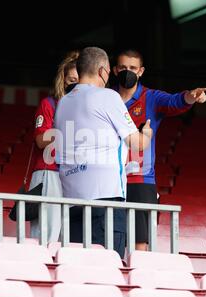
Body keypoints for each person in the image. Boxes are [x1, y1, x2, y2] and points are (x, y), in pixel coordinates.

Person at [54, 47, 153, 258]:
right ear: (102, 71)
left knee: (76, 267)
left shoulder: (63, 103)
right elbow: (137, 143)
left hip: (72, 200)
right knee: (106, 269)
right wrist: (147, 133)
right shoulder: (108, 96)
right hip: (105, 199)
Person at [113, 49, 206, 251]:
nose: (127, 71)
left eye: (132, 68)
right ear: (114, 70)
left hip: (141, 179)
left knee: (140, 243)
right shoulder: (106, 98)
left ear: (141, 71)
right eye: (122, 67)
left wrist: (191, 96)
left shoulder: (151, 98)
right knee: (110, 240)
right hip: (109, 178)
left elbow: (175, 102)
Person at [27, 50, 79, 243]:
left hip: (73, 173)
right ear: (63, 80)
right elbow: (41, 140)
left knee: (68, 235)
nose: (74, 84)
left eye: (79, 80)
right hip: (49, 172)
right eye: (71, 79)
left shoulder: (87, 109)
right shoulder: (49, 104)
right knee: (46, 232)